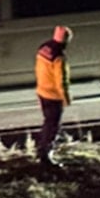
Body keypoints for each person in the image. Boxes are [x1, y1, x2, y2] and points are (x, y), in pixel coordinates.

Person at [35, 25, 73, 169]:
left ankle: (41, 150)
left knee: (47, 123)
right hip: (53, 96)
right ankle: (46, 156)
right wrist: (66, 98)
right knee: (52, 126)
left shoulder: (44, 48)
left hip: (42, 91)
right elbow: (61, 80)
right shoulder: (59, 56)